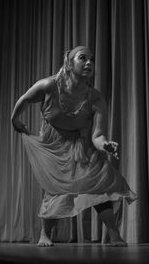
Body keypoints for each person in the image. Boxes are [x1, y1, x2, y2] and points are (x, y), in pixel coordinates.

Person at [11, 46, 137, 247]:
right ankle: (45, 234)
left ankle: (114, 234)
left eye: (92, 60)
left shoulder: (95, 98)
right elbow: (25, 100)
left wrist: (104, 145)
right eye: (83, 58)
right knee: (56, 189)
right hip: (54, 144)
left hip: (81, 144)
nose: (89, 63)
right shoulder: (49, 85)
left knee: (99, 185)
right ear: (69, 63)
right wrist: (15, 120)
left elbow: (97, 134)